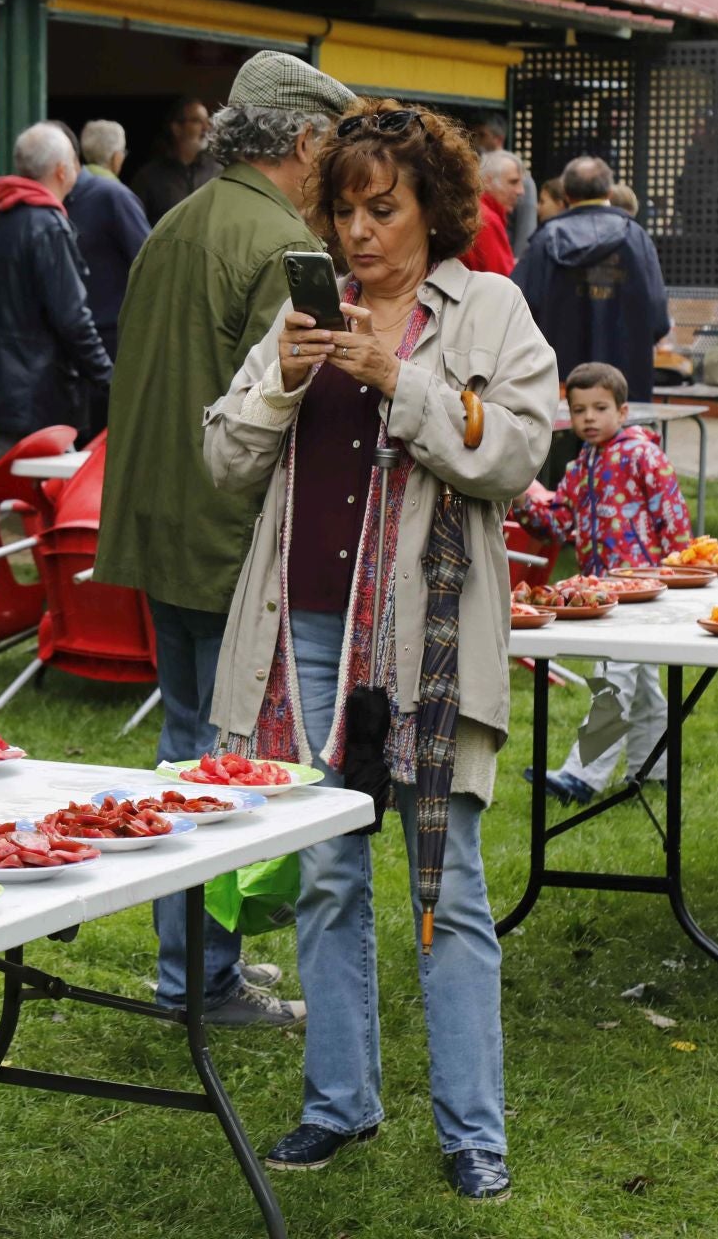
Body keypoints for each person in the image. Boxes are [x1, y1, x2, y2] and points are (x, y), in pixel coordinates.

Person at [205, 99, 554, 1200]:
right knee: (325, 875)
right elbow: (222, 458)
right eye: (345, 208)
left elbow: (515, 453)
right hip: (302, 632)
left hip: (427, 637)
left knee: (446, 887)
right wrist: (288, 377)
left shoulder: (488, 306)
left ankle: (473, 1132)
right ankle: (338, 1102)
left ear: (433, 210)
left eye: (384, 208)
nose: (360, 233)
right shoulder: (308, 313)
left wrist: (397, 378)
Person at [98, 49, 360, 1030]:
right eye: (334, 149)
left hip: (162, 531)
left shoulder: (173, 219)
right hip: (236, 543)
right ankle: (203, 982)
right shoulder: (287, 244)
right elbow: (297, 406)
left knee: (184, 754)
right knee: (229, 769)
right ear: (303, 142)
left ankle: (189, 976)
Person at [516, 363, 691, 805]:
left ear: (624, 410)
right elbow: (559, 522)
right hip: (605, 593)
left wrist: (681, 573)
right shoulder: (582, 466)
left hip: (644, 590)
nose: (588, 418)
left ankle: (582, 776)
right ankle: (653, 771)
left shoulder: (642, 455)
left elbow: (672, 516)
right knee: (644, 686)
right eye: (579, 410)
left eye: (599, 408)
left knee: (612, 678)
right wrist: (519, 496)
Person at [0, 123, 111, 468]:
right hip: (39, 393)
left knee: (6, 481)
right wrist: (108, 376)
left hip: (0, 388)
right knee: (33, 489)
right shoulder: (49, 227)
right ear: (63, 171)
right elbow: (72, 318)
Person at [512, 155, 668, 411]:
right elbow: (658, 315)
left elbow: (518, 307)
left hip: (558, 387)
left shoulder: (545, 241)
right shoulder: (636, 238)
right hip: (625, 388)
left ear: (566, 193)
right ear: (609, 190)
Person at [64, 120, 150, 441]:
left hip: (77, 334)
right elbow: (147, 260)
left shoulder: (71, 194)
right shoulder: (116, 196)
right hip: (111, 334)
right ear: (117, 157)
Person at [129, 96, 219, 226]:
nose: (206, 128)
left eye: (207, 121)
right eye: (197, 121)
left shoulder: (217, 171)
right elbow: (136, 226)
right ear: (177, 128)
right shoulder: (148, 177)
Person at [460, 150, 522, 276]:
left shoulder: (475, 211)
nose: (520, 191)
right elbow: (503, 283)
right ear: (488, 182)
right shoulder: (487, 219)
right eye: (513, 182)